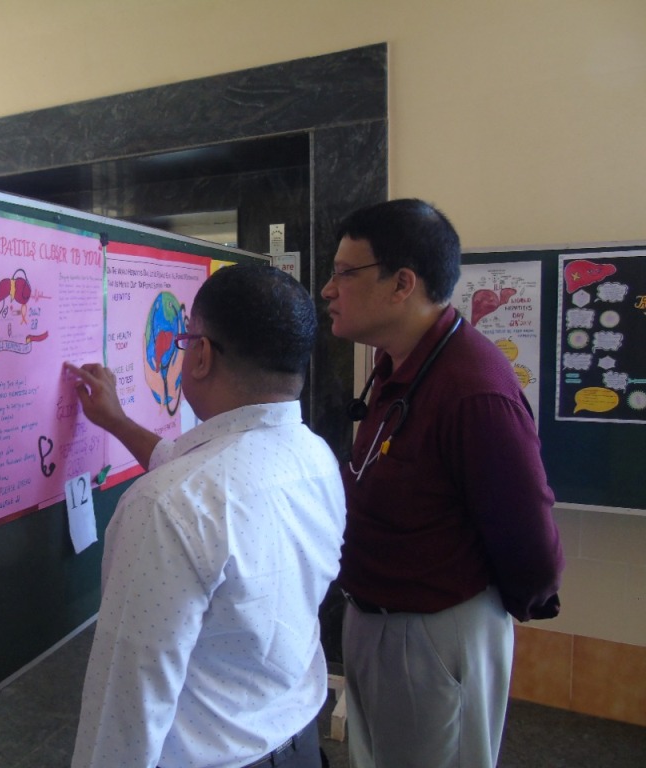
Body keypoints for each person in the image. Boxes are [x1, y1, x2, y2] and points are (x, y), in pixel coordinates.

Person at [66, 263, 346, 768]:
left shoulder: (167, 505)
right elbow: (202, 474)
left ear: (201, 355)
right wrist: (118, 422)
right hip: (301, 746)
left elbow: (126, 708)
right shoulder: (315, 458)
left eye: (185, 340)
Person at [320, 199, 564, 768]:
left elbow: (530, 544)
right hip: (376, 618)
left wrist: (473, 622)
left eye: (344, 273)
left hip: (434, 631)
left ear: (402, 284)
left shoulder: (473, 388)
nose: (328, 290)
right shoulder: (397, 366)